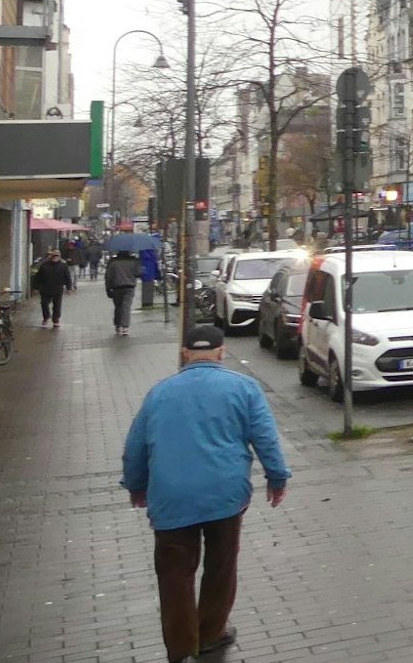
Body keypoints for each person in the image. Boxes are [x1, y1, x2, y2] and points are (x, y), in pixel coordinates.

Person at [122, 325, 289, 663]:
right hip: (224, 495)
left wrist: (137, 485)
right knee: (221, 563)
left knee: (174, 574)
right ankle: (211, 633)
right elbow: (265, 437)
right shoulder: (243, 387)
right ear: (221, 352)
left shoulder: (159, 393)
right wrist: (276, 476)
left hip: (171, 497)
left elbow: (134, 447)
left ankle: (182, 648)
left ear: (184, 354)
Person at [31, 249, 72, 329]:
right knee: (44, 303)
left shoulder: (63, 265)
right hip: (45, 288)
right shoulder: (44, 265)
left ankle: (56, 320)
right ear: (51, 256)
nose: (55, 257)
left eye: (57, 256)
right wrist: (35, 286)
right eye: (54, 256)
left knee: (57, 305)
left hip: (58, 288)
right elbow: (39, 276)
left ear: (59, 257)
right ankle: (46, 317)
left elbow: (67, 277)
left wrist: (68, 287)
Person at [105, 249, 141, 335]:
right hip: (129, 287)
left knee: (118, 306)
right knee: (126, 306)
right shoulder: (134, 260)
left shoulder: (113, 262)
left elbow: (108, 277)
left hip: (116, 287)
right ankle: (125, 326)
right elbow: (138, 273)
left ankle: (117, 325)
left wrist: (108, 289)